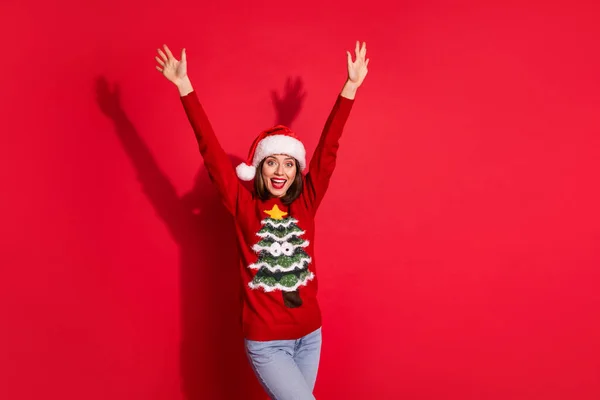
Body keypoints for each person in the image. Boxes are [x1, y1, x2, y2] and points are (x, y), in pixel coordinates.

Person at [155, 41, 369, 400]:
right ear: (259, 169)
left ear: (297, 171)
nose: (280, 169)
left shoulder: (307, 201)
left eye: (289, 162)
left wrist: (349, 89)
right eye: (272, 161)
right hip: (267, 344)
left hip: (310, 336)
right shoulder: (242, 205)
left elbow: (328, 150)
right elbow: (210, 152)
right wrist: (184, 87)